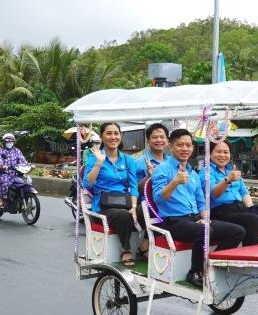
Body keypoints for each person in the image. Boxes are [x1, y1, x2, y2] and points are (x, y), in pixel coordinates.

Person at [151, 128, 245, 288]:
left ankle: (214, 266)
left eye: (188, 145)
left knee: (238, 231)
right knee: (204, 231)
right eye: (180, 145)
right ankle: (195, 271)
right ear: (171, 147)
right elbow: (159, 199)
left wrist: (205, 219)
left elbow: (201, 203)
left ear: (193, 149)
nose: (185, 149)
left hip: (194, 219)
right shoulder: (162, 169)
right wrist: (174, 182)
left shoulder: (193, 174)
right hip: (173, 222)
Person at [83, 122, 140, 266]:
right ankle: (126, 249)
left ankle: (145, 246)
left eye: (116, 133)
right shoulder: (94, 157)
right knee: (122, 214)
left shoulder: (128, 160)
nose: (113, 137)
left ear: (120, 136)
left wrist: (133, 206)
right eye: (109, 133)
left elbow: (133, 187)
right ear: (102, 136)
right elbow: (87, 183)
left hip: (125, 202)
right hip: (103, 206)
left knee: (143, 211)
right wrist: (99, 163)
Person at [206, 140, 258, 246]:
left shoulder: (231, 170)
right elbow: (213, 194)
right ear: (210, 153)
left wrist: (250, 207)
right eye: (218, 152)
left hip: (240, 209)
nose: (222, 155)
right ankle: (248, 259)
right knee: (252, 220)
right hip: (220, 213)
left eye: (226, 152)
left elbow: (243, 192)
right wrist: (228, 180)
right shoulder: (207, 172)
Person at [131, 123, 170, 255]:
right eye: (155, 137)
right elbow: (134, 189)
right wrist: (148, 176)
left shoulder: (171, 161)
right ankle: (146, 245)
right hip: (145, 204)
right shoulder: (139, 162)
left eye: (162, 137)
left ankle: (148, 244)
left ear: (167, 140)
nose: (159, 140)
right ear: (148, 140)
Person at [0, 133, 27, 208]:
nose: (9, 143)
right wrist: (2, 166)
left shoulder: (17, 151)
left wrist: (28, 165)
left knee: (25, 180)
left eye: (11, 142)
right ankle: (1, 199)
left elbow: (22, 160)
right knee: (5, 182)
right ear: (4, 142)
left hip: (15, 173)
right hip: (3, 173)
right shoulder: (1, 151)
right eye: (8, 142)